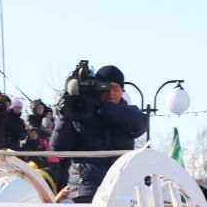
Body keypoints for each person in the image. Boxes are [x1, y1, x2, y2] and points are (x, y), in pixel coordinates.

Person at [50, 65, 146, 197]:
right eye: (106, 88)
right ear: (97, 89)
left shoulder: (130, 114)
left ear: (122, 91)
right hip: (85, 189)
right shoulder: (78, 114)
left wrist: (103, 107)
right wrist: (64, 113)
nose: (111, 93)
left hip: (119, 187)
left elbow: (140, 126)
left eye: (115, 88)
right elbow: (59, 149)